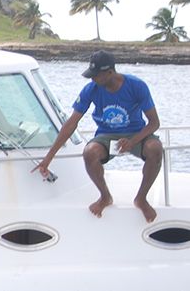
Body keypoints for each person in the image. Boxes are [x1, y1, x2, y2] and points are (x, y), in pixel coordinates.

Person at [33, 50, 164, 222]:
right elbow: (71, 123)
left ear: (110, 72)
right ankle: (105, 196)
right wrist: (48, 158)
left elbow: (154, 123)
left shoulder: (136, 86)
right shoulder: (91, 89)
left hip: (135, 133)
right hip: (106, 134)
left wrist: (132, 141)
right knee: (90, 152)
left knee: (155, 148)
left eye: (96, 75)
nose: (92, 79)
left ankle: (141, 198)